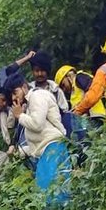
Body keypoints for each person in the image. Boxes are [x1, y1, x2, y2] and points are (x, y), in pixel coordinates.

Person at [18, 72, 70, 203]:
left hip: (52, 148)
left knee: (52, 194)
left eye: (15, 92)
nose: (14, 98)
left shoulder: (37, 96)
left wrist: (20, 116)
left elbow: (37, 125)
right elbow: (41, 135)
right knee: (49, 193)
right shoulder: (30, 103)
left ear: (24, 87)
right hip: (48, 149)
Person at [56, 64, 104, 137]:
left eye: (63, 85)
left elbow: (92, 91)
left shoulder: (80, 77)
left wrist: (81, 106)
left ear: (68, 76)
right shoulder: (74, 92)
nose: (64, 89)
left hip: (95, 116)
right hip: (87, 120)